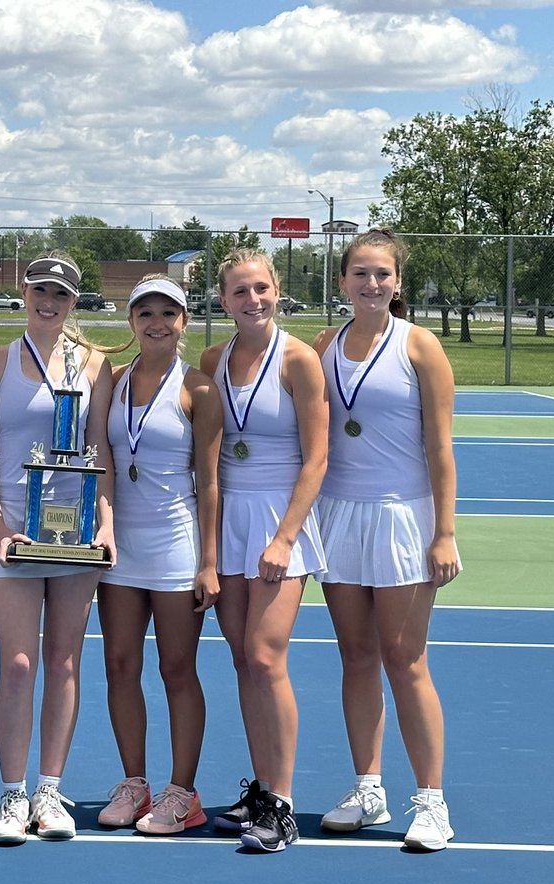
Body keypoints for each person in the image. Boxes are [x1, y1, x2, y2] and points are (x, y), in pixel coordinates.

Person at [312, 228, 461, 851]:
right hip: (339, 516)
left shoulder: (419, 345)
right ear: (342, 281)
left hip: (404, 518)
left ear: (397, 282)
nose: (371, 283)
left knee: (405, 660)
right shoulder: (323, 345)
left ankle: (431, 802)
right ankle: (368, 789)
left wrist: (444, 532)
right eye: (360, 273)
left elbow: (440, 448)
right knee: (355, 657)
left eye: (382, 274)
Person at [0, 252, 115, 845]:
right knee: (18, 664)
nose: (48, 302)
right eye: (40, 290)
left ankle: (49, 791)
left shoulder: (95, 365)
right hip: (15, 534)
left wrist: (104, 525)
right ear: (23, 293)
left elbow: (100, 451)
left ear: (73, 302)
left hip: (74, 535)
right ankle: (12, 792)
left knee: (63, 661)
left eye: (60, 294)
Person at [199, 249, 328, 852]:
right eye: (239, 291)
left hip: (279, 521)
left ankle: (283, 804)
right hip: (230, 520)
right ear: (223, 300)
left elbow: (317, 458)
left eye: (261, 288)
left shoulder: (299, 360)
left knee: (265, 656)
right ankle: (261, 789)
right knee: (242, 660)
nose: (252, 300)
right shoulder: (212, 360)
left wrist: (285, 537)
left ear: (277, 290)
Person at [96, 276, 222, 835]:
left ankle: (181, 793)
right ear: (131, 321)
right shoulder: (112, 381)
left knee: (176, 668)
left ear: (183, 321)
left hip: (175, 546)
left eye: (168, 313)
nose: (156, 323)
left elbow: (210, 482)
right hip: (119, 549)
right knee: (120, 665)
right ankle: (134, 784)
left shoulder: (199, 389)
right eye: (145, 313)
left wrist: (209, 562)